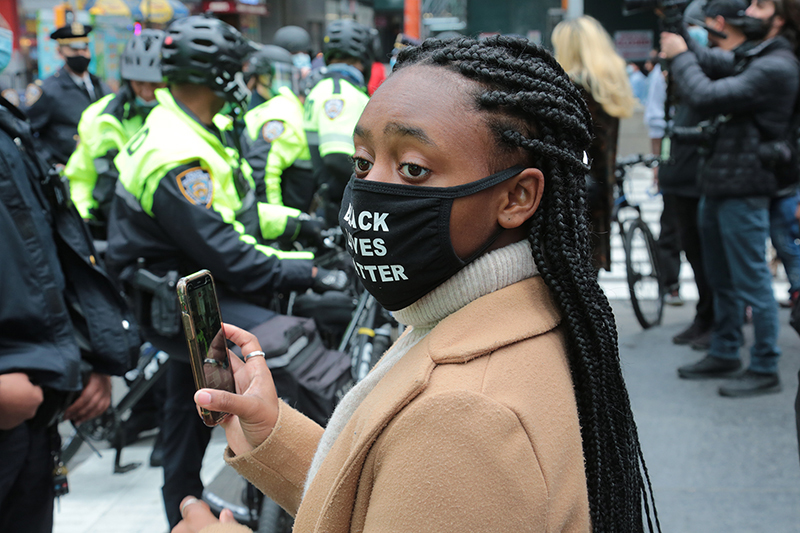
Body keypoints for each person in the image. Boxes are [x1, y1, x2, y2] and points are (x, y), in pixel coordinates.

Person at [172, 35, 659, 533]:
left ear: (516, 196)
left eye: (412, 169)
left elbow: (438, 472)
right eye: (363, 162)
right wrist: (272, 431)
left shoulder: (465, 416)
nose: (370, 192)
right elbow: (397, 497)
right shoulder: (478, 314)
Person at [105, 15, 346, 528]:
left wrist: (306, 228)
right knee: (294, 337)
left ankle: (184, 505)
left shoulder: (194, 131)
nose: (243, 79)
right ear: (212, 74)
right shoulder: (176, 152)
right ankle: (287, 494)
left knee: (185, 411)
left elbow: (244, 214)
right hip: (185, 305)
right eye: (235, 69)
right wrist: (309, 274)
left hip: (198, 291)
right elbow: (229, 253)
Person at [0, 14, 139, 532]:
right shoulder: (40, 99)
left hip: (38, 403)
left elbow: (42, 254)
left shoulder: (8, 125)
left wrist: (86, 356)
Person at [661, 0, 800, 396]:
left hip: (746, 187)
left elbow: (705, 94)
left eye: (758, 5)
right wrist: (679, 31)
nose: (748, 11)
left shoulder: (778, 65)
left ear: (782, 16)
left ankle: (765, 365)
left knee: (751, 280)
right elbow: (707, 60)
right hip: (721, 183)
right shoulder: (756, 56)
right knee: (720, 278)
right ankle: (724, 350)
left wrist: (681, 54)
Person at [551, 15, 639, 272]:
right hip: (597, 196)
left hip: (568, 200)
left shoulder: (569, 91)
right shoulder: (607, 88)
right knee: (587, 281)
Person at [64, 29, 166, 238]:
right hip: (113, 230)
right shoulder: (98, 118)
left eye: (155, 85)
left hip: (171, 231)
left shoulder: (186, 118)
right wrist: (83, 217)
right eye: (139, 84)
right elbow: (81, 176)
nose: (146, 92)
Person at [304, 19, 372, 225]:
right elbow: (337, 157)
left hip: (331, 199)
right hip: (343, 204)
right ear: (362, 57)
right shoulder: (339, 93)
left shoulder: (323, 88)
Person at [23, 21, 110, 167]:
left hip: (100, 168)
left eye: (84, 47)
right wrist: (50, 162)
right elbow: (27, 132)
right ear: (60, 51)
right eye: (74, 48)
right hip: (66, 170)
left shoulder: (100, 85)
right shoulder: (49, 89)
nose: (81, 53)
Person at [242, 44, 315, 211]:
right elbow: (263, 170)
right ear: (259, 77)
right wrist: (278, 224)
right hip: (282, 214)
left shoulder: (282, 105)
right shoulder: (279, 112)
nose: (281, 83)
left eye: (286, 76)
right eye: (275, 76)